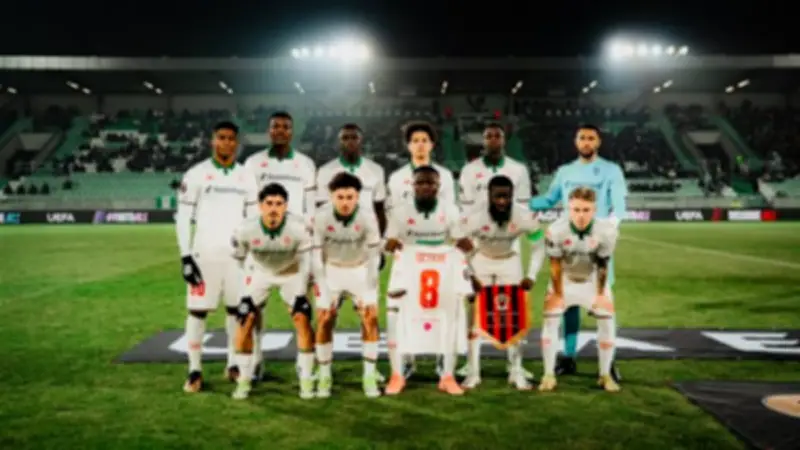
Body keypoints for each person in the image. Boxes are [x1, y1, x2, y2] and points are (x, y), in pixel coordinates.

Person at [529, 124, 626, 381]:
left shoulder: (611, 170)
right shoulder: (565, 171)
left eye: (591, 138)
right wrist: (522, 203)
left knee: (604, 302)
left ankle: (609, 364)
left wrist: (610, 228)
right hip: (570, 241)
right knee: (567, 303)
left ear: (598, 142)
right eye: (582, 138)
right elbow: (549, 200)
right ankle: (569, 357)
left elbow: (619, 204)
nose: (586, 142)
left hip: (597, 242)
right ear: (576, 141)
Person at [175, 121, 259, 393]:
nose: (226, 143)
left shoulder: (246, 176)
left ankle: (233, 364)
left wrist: (251, 254)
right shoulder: (197, 174)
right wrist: (186, 257)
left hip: (236, 256)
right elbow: (183, 217)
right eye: (221, 137)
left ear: (237, 143)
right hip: (205, 255)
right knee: (198, 311)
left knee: (236, 310)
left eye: (231, 138)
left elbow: (253, 219)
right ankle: (194, 369)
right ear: (213, 141)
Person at [383, 165, 477, 396]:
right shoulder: (399, 212)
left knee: (449, 317)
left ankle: (447, 375)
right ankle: (397, 374)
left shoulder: (450, 210)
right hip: (407, 269)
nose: (425, 187)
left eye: (430, 183)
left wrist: (468, 256)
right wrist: (390, 245)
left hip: (441, 270)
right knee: (395, 317)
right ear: (412, 185)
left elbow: (461, 243)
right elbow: (388, 245)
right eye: (420, 183)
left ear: (438, 186)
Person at [243, 111, 317, 380]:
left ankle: (303, 361)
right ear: (269, 130)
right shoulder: (253, 163)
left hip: (295, 244)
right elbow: (249, 204)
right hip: (261, 241)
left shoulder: (305, 164)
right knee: (254, 306)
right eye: (276, 126)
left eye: (286, 127)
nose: (280, 131)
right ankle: (255, 359)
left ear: (292, 131)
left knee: (300, 305)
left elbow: (310, 207)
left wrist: (309, 238)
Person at [457, 123, 533, 379]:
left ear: (504, 139)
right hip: (478, 245)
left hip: (508, 244)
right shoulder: (469, 170)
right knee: (475, 305)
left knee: (512, 307)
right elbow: (465, 208)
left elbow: (523, 208)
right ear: (483, 140)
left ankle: (515, 366)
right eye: (488, 136)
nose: (492, 140)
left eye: (497, 136)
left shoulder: (518, 170)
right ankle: (471, 365)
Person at [230, 183, 315, 400]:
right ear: (260, 205)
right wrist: (245, 293)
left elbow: (306, 261)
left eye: (279, 204)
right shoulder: (245, 229)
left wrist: (301, 294)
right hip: (260, 272)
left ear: (286, 206)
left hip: (291, 271)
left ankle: (306, 378)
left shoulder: (298, 228)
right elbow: (239, 262)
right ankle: (244, 379)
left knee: (302, 317)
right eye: (269, 203)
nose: (274, 209)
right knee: (245, 319)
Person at [386, 121, 457, 378]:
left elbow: (449, 212)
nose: (420, 145)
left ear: (432, 145)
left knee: (440, 305)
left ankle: (442, 359)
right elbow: (393, 213)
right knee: (405, 307)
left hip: (438, 252)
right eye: (415, 141)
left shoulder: (444, 176)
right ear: (408, 145)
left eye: (424, 140)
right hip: (407, 251)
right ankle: (407, 360)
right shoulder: (397, 178)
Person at [461, 175, 546, 390]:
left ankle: (516, 371)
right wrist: (470, 277)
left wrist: (531, 275)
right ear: (488, 196)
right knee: (475, 317)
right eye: (497, 197)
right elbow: (459, 249)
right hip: (481, 260)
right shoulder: (474, 217)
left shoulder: (524, 216)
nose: (502, 201)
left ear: (512, 196)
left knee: (514, 317)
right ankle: (473, 373)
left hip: (509, 262)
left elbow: (538, 246)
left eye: (506, 197)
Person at [539, 187, 620, 393]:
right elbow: (555, 265)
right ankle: (548, 374)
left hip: (592, 281)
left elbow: (603, 264)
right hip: (564, 280)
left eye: (586, 210)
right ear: (569, 208)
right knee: (550, 320)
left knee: (607, 320)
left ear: (594, 209)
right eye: (576, 210)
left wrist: (600, 295)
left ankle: (605, 375)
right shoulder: (556, 230)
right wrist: (558, 294)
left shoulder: (607, 231)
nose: (581, 215)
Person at [311, 172, 383, 398]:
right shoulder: (321, 217)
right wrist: (322, 286)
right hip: (331, 270)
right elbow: (315, 255)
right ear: (331, 196)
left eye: (350, 197)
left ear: (358, 196)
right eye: (340, 197)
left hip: (360, 270)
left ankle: (369, 375)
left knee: (370, 317)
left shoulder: (368, 217)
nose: (345, 203)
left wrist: (370, 287)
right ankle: (324, 375)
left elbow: (374, 256)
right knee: (324, 319)